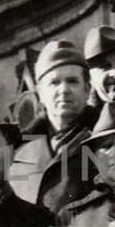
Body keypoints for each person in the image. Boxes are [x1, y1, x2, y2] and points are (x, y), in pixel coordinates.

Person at [12, 39, 99, 213]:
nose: (64, 89)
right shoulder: (19, 148)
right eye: (54, 82)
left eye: (72, 81)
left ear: (87, 89)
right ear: (41, 93)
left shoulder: (103, 139)